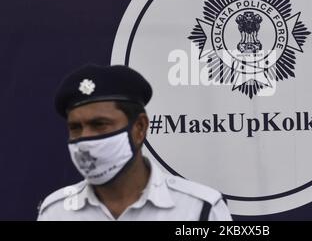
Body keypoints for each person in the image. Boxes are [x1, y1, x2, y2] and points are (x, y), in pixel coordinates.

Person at [37, 64, 232, 221]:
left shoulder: (199, 209)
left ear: (139, 128)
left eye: (100, 124)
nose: (85, 138)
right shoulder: (55, 212)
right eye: (75, 128)